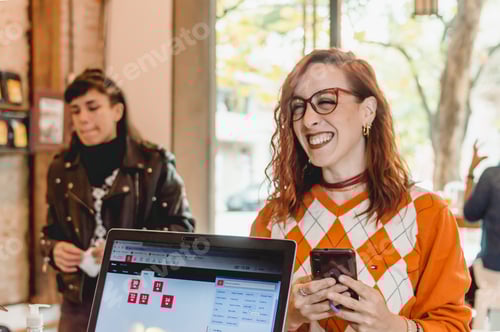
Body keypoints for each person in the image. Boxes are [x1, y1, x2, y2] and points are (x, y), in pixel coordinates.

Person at [251, 49, 471, 332]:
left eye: (326, 101)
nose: (308, 120)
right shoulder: (273, 220)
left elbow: (454, 325)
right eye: (298, 107)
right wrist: (289, 316)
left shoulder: (426, 213)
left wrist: (393, 327)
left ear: (367, 110)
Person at [40, 69, 195, 331]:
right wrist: (54, 251)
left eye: (92, 107)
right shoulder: (60, 168)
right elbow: (48, 234)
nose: (83, 118)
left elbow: (184, 233)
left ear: (117, 112)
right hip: (78, 303)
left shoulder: (154, 164)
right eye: (75, 110)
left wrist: (123, 248)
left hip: (142, 298)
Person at [463, 141, 500, 308]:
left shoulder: (491, 176)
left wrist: (471, 172)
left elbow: (469, 215)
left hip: (491, 269)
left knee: (462, 281)